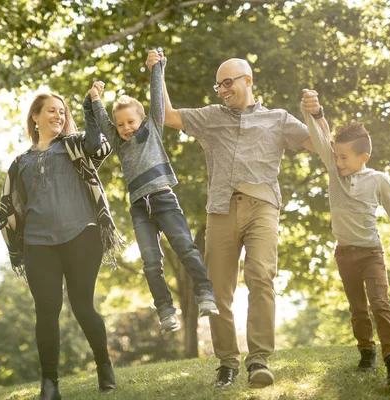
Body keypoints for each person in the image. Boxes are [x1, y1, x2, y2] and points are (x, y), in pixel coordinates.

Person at [146, 50, 330, 388]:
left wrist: (316, 114)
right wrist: (158, 71)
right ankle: (227, 362)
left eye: (228, 82)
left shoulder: (277, 119)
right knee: (217, 290)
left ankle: (259, 359)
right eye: (219, 85)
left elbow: (320, 145)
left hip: (262, 206)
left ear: (248, 80)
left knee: (261, 276)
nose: (223, 89)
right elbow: (168, 116)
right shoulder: (211, 116)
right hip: (221, 209)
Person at [0, 92, 121, 400]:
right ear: (35, 117)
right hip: (38, 244)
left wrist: (90, 107)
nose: (58, 116)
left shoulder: (75, 145)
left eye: (62, 112)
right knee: (46, 311)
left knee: (82, 306)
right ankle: (49, 384)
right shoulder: (19, 163)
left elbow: (99, 145)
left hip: (82, 236)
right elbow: (11, 209)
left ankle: (104, 366)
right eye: (51, 111)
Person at [83, 59, 218, 333]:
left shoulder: (153, 127)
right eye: (120, 125)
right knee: (150, 261)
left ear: (142, 119)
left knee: (185, 247)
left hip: (163, 199)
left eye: (130, 121)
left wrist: (156, 67)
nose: (125, 128)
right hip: (139, 208)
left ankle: (205, 294)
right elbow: (104, 123)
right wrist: (96, 97)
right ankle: (166, 311)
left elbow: (157, 98)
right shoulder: (119, 143)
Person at [301, 89, 390, 385]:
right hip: (344, 254)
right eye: (336, 155)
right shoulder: (333, 170)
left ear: (363, 157)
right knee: (357, 308)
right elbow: (318, 136)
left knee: (380, 303)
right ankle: (367, 352)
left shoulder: (377, 180)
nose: (338, 161)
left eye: (344, 157)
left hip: (371, 253)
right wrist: (310, 112)